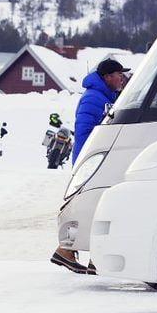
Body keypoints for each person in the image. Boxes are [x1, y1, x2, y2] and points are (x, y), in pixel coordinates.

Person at [50, 58, 130, 274]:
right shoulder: (93, 99)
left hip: (99, 160)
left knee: (99, 208)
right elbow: (86, 132)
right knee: (92, 208)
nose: (122, 78)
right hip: (92, 161)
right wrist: (92, 160)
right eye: (118, 74)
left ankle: (91, 256)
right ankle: (67, 250)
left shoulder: (107, 96)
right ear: (107, 77)